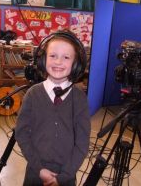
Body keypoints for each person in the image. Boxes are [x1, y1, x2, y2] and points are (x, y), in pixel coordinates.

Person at [15, 30, 91, 186]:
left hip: (66, 176)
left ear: (75, 64)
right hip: (35, 174)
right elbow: (22, 134)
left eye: (66, 57)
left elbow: (82, 143)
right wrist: (39, 169)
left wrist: (63, 177)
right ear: (43, 60)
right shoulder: (32, 94)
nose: (58, 62)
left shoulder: (79, 98)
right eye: (53, 56)